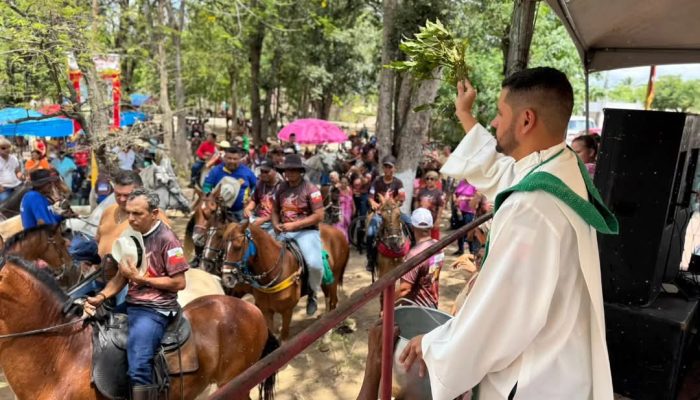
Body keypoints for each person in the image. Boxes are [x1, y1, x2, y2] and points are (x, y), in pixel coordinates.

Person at [399, 67, 618, 399]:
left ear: (526, 120)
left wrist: (432, 346)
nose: (495, 123)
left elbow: (498, 314)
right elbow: (503, 171)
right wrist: (465, 115)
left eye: (501, 114)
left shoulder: (531, 207)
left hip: (535, 376)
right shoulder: (561, 165)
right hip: (563, 362)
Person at [85, 188, 188, 399]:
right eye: (129, 213)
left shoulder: (168, 239)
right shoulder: (130, 235)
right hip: (132, 303)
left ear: (154, 213)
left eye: (138, 214)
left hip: (155, 309)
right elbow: (122, 276)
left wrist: (142, 279)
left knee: (139, 363)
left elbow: (179, 282)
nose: (131, 219)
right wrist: (102, 297)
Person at [271, 154, 324, 316]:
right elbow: (274, 210)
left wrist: (294, 225)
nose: (290, 173)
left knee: (314, 264)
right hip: (283, 231)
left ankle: (313, 293)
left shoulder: (311, 189)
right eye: (287, 170)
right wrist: (275, 224)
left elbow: (319, 215)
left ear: (300, 172)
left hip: (306, 232)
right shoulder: (280, 188)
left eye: (293, 170)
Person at [95, 170, 171, 259]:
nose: (122, 199)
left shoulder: (153, 216)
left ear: (140, 190)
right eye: (118, 195)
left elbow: (165, 252)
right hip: (101, 271)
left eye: (126, 195)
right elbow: (98, 240)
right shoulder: (108, 211)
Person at [365, 155, 411, 270]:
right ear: (383, 168)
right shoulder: (377, 181)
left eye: (390, 167)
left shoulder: (398, 183)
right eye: (385, 166)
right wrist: (373, 204)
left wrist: (395, 204)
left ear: (394, 168)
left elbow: (402, 198)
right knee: (371, 233)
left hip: (394, 212)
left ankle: (413, 253)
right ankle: (371, 259)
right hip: (380, 213)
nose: (388, 169)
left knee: (410, 223)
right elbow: (370, 197)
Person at [396, 208, 444, 309]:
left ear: (412, 227)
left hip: (415, 310)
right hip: (432, 304)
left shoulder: (414, 254)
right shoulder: (438, 246)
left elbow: (404, 289)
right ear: (431, 226)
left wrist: (387, 305)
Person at [203, 146, 257, 221]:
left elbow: (256, 186)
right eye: (229, 158)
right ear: (224, 158)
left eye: (235, 159)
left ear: (240, 159)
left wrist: (251, 198)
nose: (232, 161)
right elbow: (207, 186)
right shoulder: (216, 171)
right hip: (219, 210)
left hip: (242, 211)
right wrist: (210, 196)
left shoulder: (247, 172)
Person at [244, 158, 279, 235]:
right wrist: (248, 208)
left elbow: (282, 211)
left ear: (275, 171)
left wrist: (263, 220)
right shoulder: (259, 184)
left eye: (266, 171)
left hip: (273, 221)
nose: (263, 174)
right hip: (257, 218)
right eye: (261, 171)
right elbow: (254, 200)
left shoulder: (281, 187)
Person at [413, 170, 445, 240]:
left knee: (434, 240)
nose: (429, 180)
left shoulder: (439, 193)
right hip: (421, 220)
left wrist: (438, 219)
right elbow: (417, 202)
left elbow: (441, 206)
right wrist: (415, 213)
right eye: (427, 178)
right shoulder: (421, 191)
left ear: (436, 181)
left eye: (432, 179)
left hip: (433, 220)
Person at [453, 179, 478, 256]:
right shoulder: (461, 182)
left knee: (469, 230)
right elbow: (455, 193)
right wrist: (455, 200)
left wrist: (464, 198)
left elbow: (477, 197)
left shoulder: (474, 184)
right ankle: (460, 249)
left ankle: (472, 250)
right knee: (459, 231)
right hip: (459, 210)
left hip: (469, 211)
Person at [0, 138, 23, 202]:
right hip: (4, 188)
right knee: (6, 206)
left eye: (8, 147)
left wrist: (20, 175)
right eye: (3, 148)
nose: (7, 150)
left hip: (16, 185)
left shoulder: (13, 158)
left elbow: (17, 171)